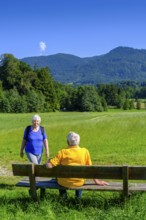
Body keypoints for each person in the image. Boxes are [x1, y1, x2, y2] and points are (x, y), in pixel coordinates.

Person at [46, 131, 108, 199]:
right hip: (79, 182)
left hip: (64, 183)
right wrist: (97, 181)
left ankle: (63, 198)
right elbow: (90, 168)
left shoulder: (62, 152)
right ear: (78, 142)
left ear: (67, 141)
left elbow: (49, 166)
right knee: (80, 177)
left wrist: (49, 161)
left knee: (58, 179)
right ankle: (78, 199)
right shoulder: (85, 152)